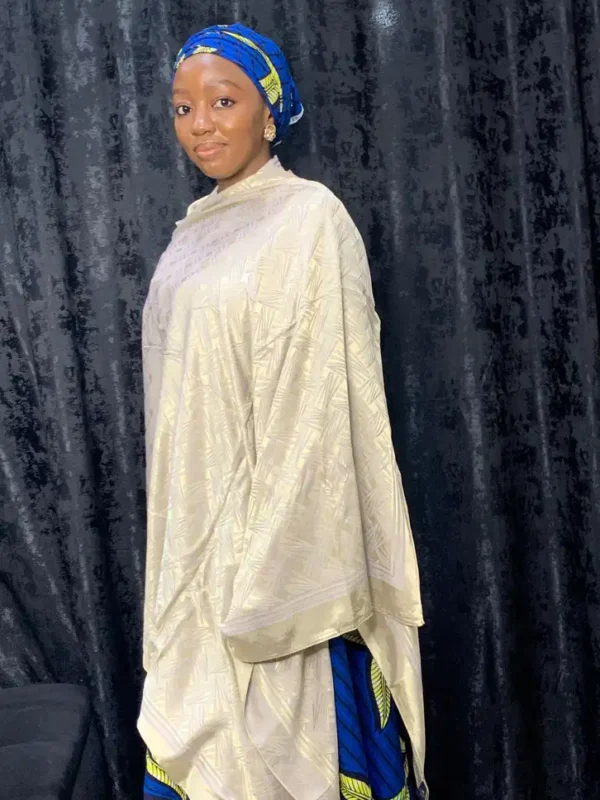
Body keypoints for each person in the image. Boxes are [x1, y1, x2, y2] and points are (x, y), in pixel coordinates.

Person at [139, 22, 427, 800]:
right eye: (183, 108)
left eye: (222, 102)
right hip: (194, 543)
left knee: (288, 743)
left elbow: (325, 401)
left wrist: (263, 564)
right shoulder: (190, 239)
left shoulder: (309, 218)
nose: (200, 125)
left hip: (282, 550)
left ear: (269, 112)